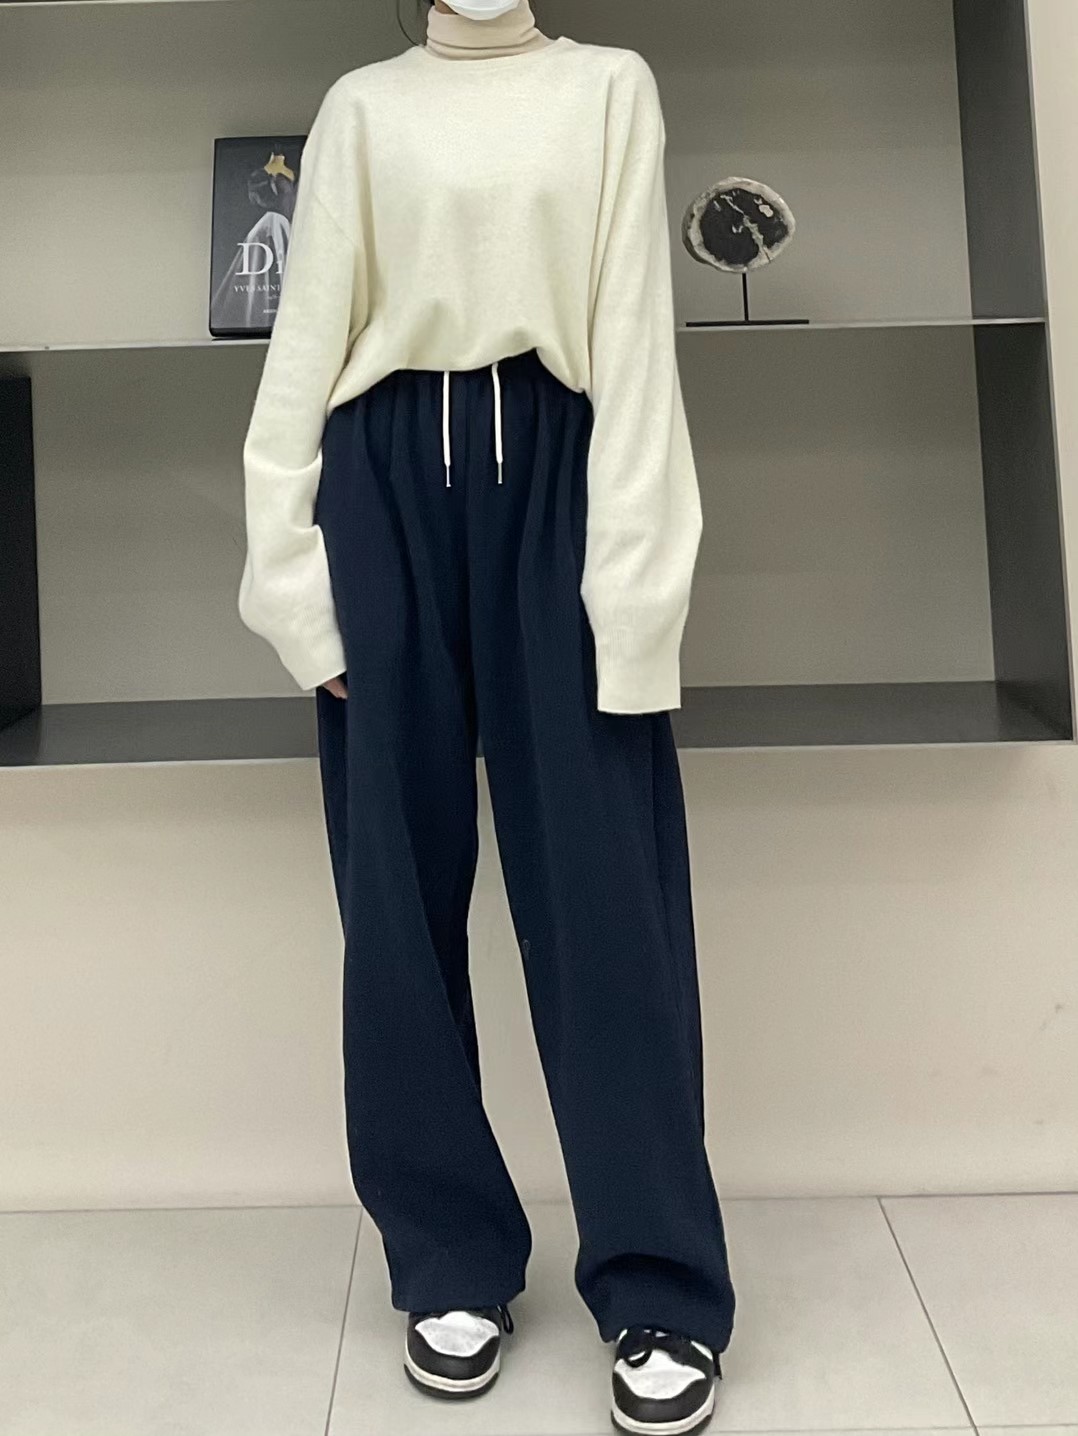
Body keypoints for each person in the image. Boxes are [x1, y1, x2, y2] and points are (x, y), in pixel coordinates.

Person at [237, 1, 736, 1430]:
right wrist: (294, 584)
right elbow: (304, 344)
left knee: (606, 901)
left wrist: (634, 602)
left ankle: (656, 1280)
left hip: (558, 477)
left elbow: (635, 342)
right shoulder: (364, 105)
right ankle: (447, 1256)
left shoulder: (607, 89)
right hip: (382, 485)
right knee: (393, 904)